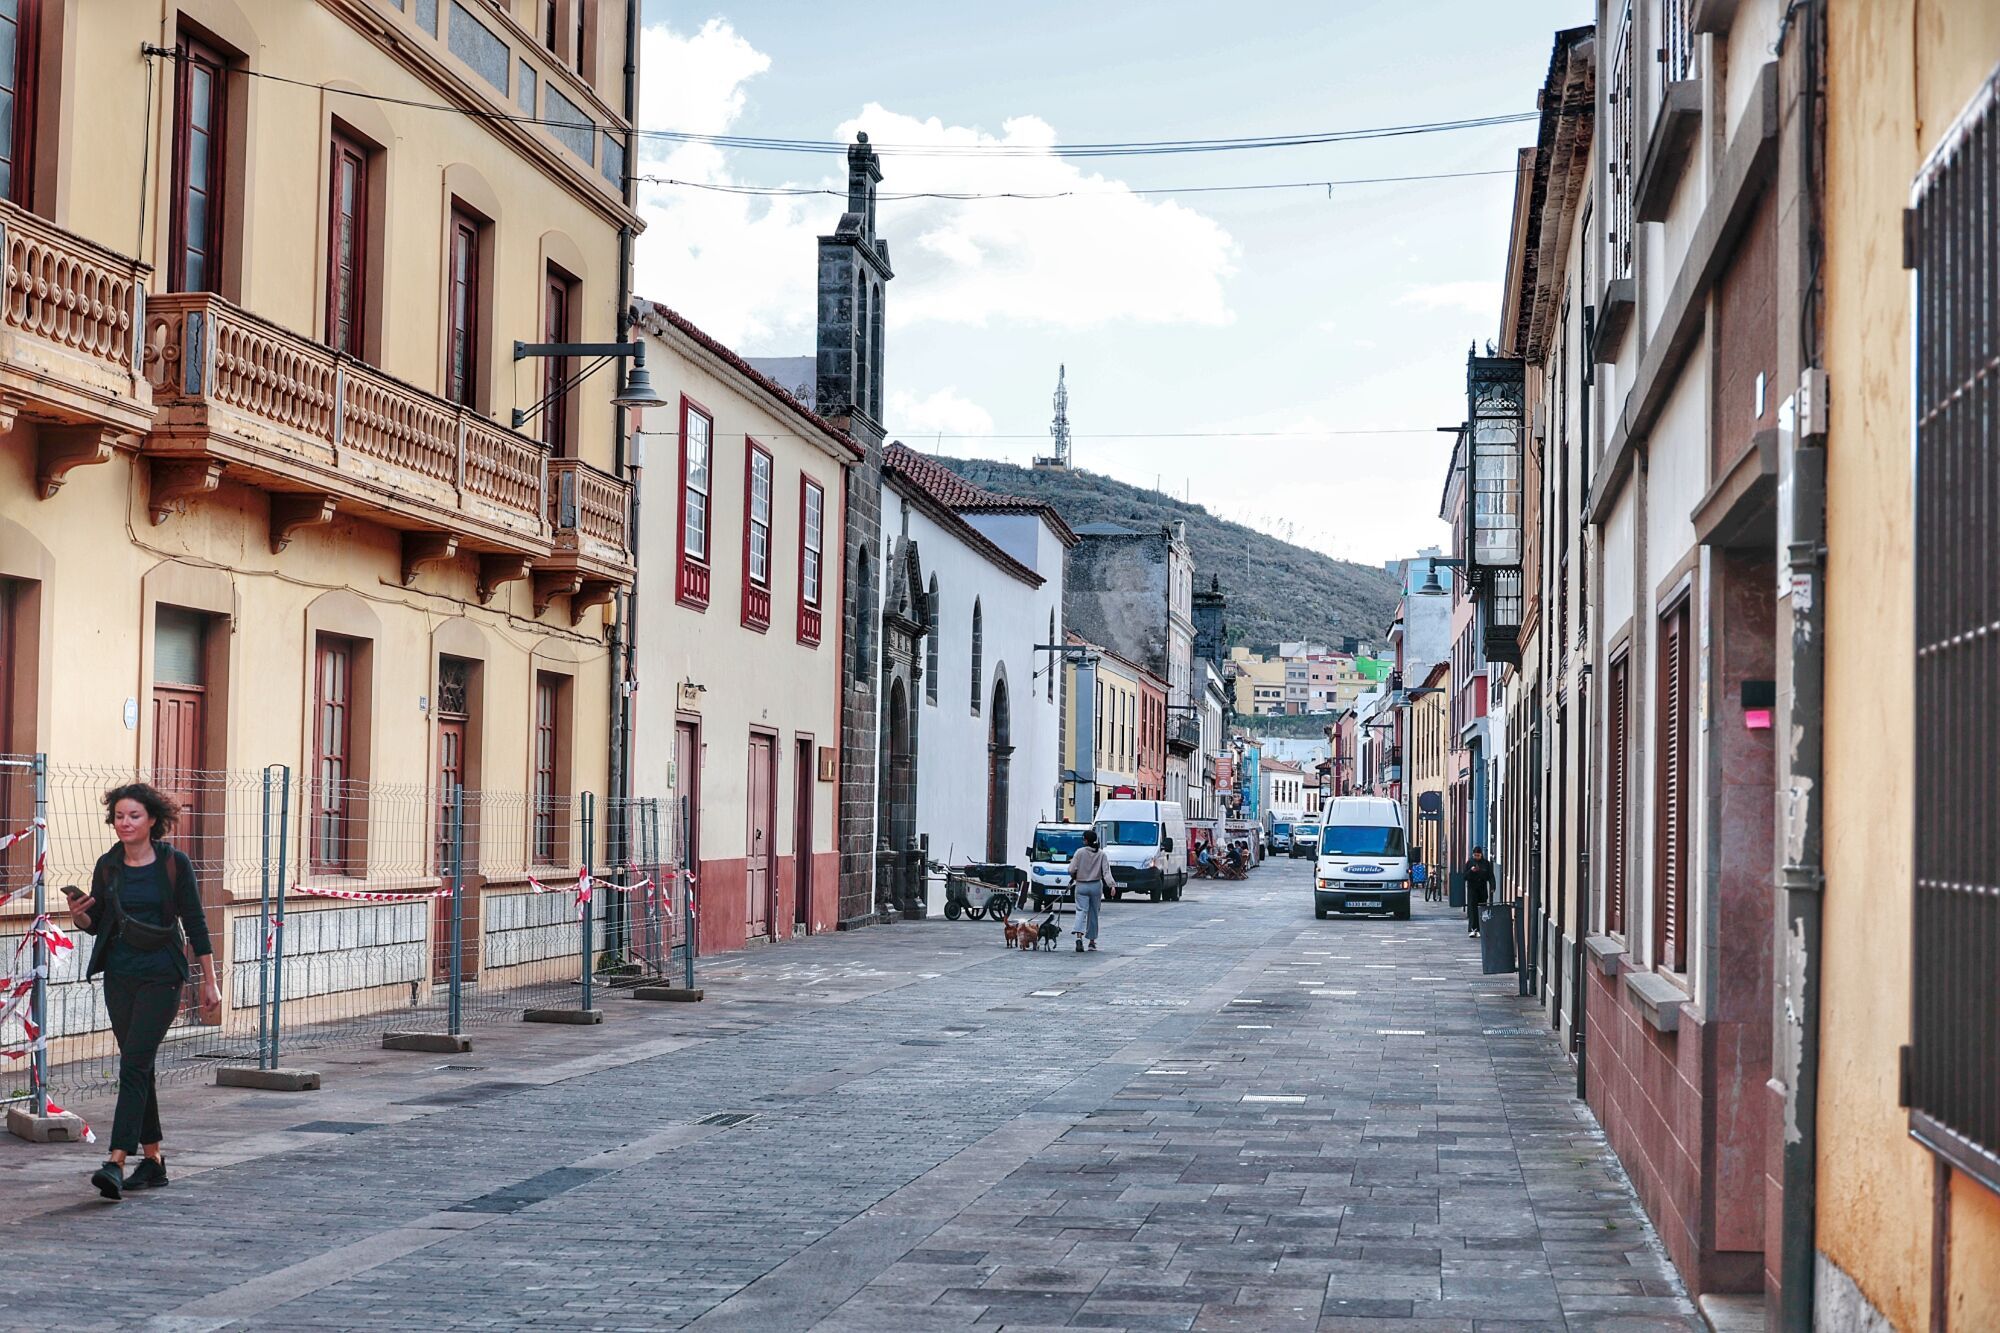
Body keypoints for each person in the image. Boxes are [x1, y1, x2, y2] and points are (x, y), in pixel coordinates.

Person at [66, 782, 218, 1201]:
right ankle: (153, 1161)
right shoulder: (108, 866)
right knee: (139, 1065)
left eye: (133, 815)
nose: (125, 823)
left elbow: (196, 922)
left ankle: (115, 1161)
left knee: (133, 1065)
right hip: (120, 974)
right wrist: (79, 917)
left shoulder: (174, 863)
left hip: (163, 975)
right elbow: (99, 925)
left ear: (152, 819)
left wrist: (210, 979)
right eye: (119, 816)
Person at [1069, 829, 1116, 952]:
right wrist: (1112, 885)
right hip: (1096, 885)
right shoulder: (1101, 854)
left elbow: (1071, 869)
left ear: (1085, 840)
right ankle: (1091, 942)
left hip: (1081, 885)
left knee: (1081, 911)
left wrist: (1074, 875)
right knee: (1093, 913)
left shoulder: (1079, 853)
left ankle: (1079, 937)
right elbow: (1106, 872)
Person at [1464, 846, 1494, 938]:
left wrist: (1493, 886)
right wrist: (1471, 871)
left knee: (1482, 907)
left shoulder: (1486, 863)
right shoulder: (1469, 862)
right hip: (1472, 889)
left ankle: (1482, 928)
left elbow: (1490, 876)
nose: (1476, 857)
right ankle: (1473, 929)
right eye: (1475, 855)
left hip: (1482, 888)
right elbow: (1464, 876)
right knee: (1472, 909)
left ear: (1481, 854)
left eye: (1478, 855)